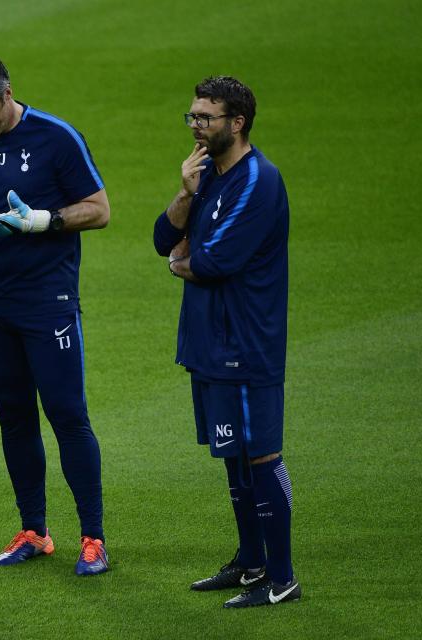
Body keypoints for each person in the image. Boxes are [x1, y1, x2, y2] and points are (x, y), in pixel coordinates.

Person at [0, 55, 111, 576]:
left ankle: (93, 537)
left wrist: (43, 221)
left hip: (47, 301)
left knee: (67, 415)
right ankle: (35, 529)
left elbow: (99, 209)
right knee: (13, 416)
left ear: (7, 94)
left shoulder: (56, 136)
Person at [153, 76, 299, 607]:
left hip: (246, 343)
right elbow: (162, 238)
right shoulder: (208, 176)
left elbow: (215, 262)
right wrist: (185, 195)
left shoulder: (258, 180)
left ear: (236, 123)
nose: (195, 126)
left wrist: (180, 263)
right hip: (209, 342)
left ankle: (281, 577)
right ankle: (250, 561)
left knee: (261, 456)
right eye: (191, 116)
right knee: (234, 457)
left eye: (205, 118)